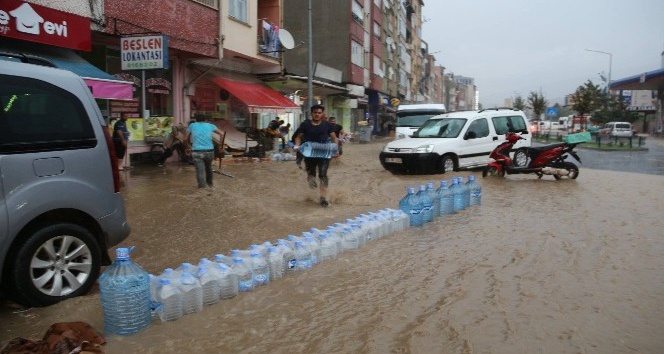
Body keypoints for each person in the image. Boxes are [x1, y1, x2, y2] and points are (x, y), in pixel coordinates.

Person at [293, 104, 339, 207]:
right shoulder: (305, 124)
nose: (317, 115)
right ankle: (313, 192)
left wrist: (335, 149)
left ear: (322, 114)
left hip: (324, 153)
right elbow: (298, 137)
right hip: (309, 154)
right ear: (311, 114)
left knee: (323, 174)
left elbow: (334, 138)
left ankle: (323, 197)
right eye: (315, 113)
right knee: (311, 176)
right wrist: (296, 146)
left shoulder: (327, 125)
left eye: (319, 113)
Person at [185, 117, 225, 189]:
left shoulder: (192, 125)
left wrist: (188, 147)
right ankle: (210, 185)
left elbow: (185, 138)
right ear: (205, 120)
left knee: (200, 171)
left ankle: (202, 189)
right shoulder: (210, 125)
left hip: (197, 152)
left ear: (196, 120)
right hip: (209, 151)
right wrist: (220, 146)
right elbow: (222, 134)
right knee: (208, 168)